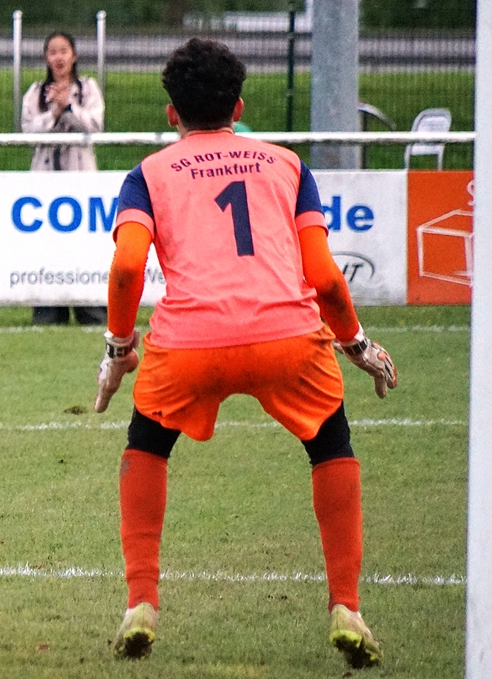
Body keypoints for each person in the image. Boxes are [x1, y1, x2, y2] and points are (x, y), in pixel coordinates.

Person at [93, 38, 397, 668]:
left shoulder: (148, 173)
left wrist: (119, 350)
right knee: (331, 445)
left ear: (171, 113)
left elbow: (126, 268)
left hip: (189, 342)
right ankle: (347, 606)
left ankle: (141, 603)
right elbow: (325, 276)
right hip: (288, 337)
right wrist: (357, 344)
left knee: (146, 446)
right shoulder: (288, 165)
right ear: (238, 106)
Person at [21, 31, 107, 327]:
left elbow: (95, 125)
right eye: (53, 51)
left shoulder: (88, 89)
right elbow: (29, 131)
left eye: (64, 51)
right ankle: (48, 310)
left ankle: (91, 309)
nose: (58, 57)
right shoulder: (35, 93)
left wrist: (69, 107)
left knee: (84, 245)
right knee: (45, 245)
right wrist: (54, 113)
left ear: (74, 56)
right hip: (45, 180)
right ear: (46, 57)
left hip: (80, 179)